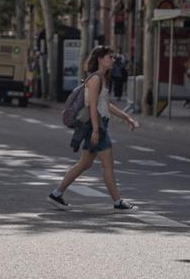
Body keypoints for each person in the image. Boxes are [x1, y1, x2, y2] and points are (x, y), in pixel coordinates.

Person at [47, 47, 140, 211]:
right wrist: (97, 130)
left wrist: (127, 117)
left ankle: (56, 194)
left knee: (84, 164)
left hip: (97, 125)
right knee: (108, 165)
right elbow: (93, 107)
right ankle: (118, 201)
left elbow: (106, 104)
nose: (113, 60)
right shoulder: (95, 79)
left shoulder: (101, 78)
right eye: (110, 57)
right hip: (96, 126)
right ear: (100, 59)